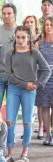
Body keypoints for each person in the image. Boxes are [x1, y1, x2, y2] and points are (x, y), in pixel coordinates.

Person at [5, 26, 51, 162]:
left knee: (27, 122)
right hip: (14, 89)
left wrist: (37, 84)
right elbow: (8, 75)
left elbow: (46, 70)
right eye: (18, 37)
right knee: (10, 121)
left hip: (29, 91)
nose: (20, 40)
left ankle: (25, 152)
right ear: (15, 37)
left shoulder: (35, 53)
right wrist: (25, 84)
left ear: (29, 38)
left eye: (23, 37)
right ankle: (10, 153)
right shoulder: (10, 54)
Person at [0, 3, 17, 109]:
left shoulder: (20, 31)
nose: (6, 16)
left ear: (14, 14)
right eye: (4, 13)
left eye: (9, 13)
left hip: (15, 76)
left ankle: (11, 127)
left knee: (12, 108)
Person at [35, 17, 53, 146]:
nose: (48, 27)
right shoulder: (39, 43)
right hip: (43, 78)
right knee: (45, 107)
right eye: (46, 24)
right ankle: (48, 135)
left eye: (51, 24)